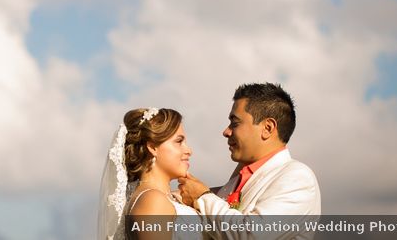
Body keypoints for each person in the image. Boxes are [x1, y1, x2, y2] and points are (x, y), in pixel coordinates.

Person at [177, 83, 320, 237]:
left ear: (268, 128)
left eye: (235, 123)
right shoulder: (237, 179)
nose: (226, 131)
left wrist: (202, 197)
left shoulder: (298, 178)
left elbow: (250, 234)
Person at [98, 107, 199, 240]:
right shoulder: (152, 201)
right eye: (179, 142)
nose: (189, 151)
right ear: (152, 147)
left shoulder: (169, 198)